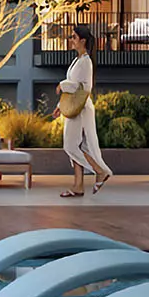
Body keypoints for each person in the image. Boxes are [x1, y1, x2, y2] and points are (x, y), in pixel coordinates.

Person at [57, 25, 113, 198]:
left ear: (82, 40)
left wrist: (62, 85)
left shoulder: (86, 62)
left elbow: (85, 87)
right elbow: (74, 88)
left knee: (71, 146)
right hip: (75, 108)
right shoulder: (78, 60)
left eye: (73, 37)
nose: (71, 40)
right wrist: (59, 107)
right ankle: (78, 186)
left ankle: (99, 171)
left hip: (81, 110)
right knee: (75, 146)